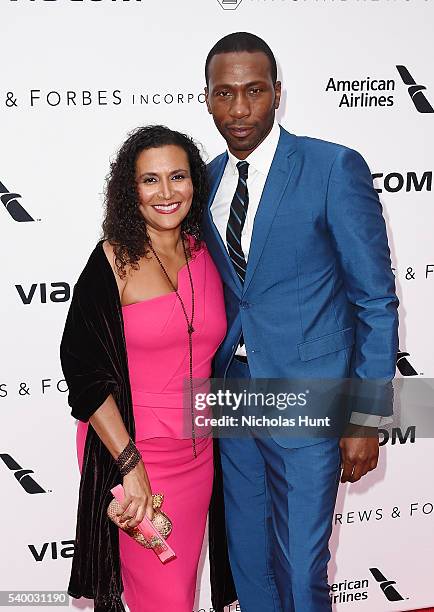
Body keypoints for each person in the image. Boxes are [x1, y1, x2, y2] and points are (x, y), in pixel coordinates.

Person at [202, 32, 399, 612]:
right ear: (207, 98)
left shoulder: (332, 166)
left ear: (278, 94)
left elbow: (375, 302)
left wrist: (364, 418)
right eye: (225, 94)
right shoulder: (205, 178)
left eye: (255, 92)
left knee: (301, 564)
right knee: (246, 558)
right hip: (233, 398)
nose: (240, 109)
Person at [60, 125, 237, 612]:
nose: (166, 192)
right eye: (150, 180)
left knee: (175, 593)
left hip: (200, 455)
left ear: (195, 185)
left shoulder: (208, 254)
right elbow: (83, 372)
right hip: (136, 453)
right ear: (129, 189)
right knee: (164, 601)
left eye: (177, 177)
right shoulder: (112, 261)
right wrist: (130, 466)